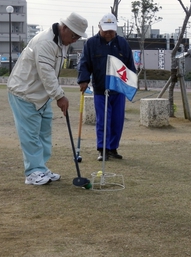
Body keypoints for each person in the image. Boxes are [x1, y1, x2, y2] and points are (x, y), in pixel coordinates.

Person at [7, 12, 88, 185]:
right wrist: (59, 96)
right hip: (25, 92)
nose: (75, 40)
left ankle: (41, 168)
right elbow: (46, 72)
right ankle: (33, 172)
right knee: (30, 135)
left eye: (78, 37)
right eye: (74, 35)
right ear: (64, 27)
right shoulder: (45, 42)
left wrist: (56, 95)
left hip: (41, 95)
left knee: (44, 133)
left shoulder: (62, 42)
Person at [77, 13, 136, 161]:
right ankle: (102, 149)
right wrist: (83, 80)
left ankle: (113, 148)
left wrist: (131, 82)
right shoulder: (91, 43)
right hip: (100, 89)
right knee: (103, 120)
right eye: (106, 30)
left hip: (118, 89)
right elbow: (84, 63)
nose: (109, 34)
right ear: (99, 27)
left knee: (117, 121)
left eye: (112, 30)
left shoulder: (122, 44)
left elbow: (130, 66)